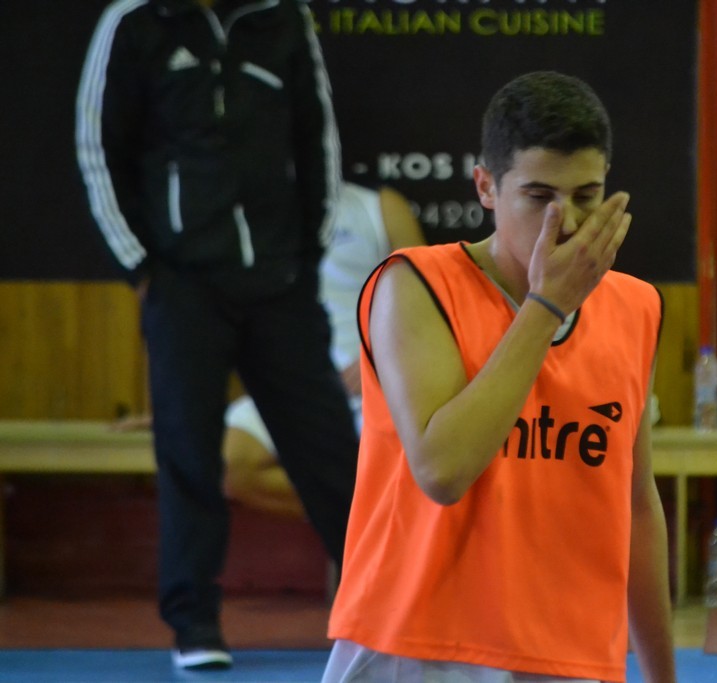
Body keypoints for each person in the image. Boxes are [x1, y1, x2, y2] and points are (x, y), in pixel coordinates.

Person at [322, 71, 676, 683]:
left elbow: (637, 506)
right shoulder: (416, 284)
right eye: (539, 196)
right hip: (420, 645)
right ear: (486, 187)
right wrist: (547, 305)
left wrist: (663, 676)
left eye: (586, 195)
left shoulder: (635, 306)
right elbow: (443, 471)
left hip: (566, 647)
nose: (565, 220)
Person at [75, 0, 358, 670]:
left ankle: (384, 606)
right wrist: (143, 268)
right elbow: (98, 149)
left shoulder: (283, 17)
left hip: (281, 285)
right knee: (189, 453)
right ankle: (195, 622)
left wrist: (306, 259)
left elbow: (317, 140)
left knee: (330, 452)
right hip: (183, 287)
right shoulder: (135, 21)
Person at [223, 183, 425, 516]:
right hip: (288, 389)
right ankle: (364, 525)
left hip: (372, 385)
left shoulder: (381, 207)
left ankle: (368, 531)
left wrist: (378, 360)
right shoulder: (243, 211)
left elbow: (426, 303)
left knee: (415, 467)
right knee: (234, 465)